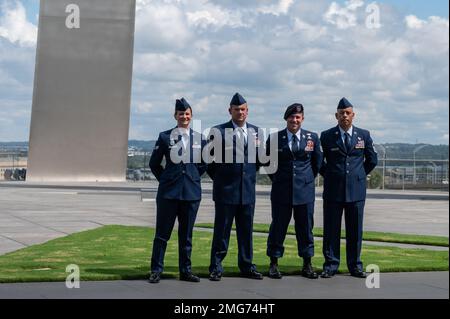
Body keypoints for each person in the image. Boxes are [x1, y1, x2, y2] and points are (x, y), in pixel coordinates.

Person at [148, 98, 207, 284]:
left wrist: (191, 177)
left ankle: (186, 271)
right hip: (168, 194)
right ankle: (156, 270)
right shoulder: (165, 137)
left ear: (191, 116)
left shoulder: (200, 139)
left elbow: (204, 164)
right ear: (175, 116)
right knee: (162, 235)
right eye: (181, 114)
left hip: (190, 193)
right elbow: (154, 163)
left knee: (186, 236)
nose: (184, 117)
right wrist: (166, 179)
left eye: (187, 114)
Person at [207, 93, 264, 281]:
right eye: (236, 109)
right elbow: (207, 160)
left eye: (243, 109)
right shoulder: (218, 131)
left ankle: (246, 266)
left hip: (247, 192)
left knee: (246, 232)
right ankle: (216, 267)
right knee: (222, 231)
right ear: (229, 110)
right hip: (226, 191)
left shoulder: (257, 132)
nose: (240, 112)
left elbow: (259, 161)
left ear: (247, 111)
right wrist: (221, 177)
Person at [320, 97, 378, 279]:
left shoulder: (364, 135)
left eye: (348, 113)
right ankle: (331, 265)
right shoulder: (326, 136)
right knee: (331, 231)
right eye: (341, 113)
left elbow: (372, 159)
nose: (344, 116)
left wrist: (359, 175)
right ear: (335, 115)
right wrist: (330, 174)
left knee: (355, 230)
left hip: (356, 191)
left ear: (353, 115)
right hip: (333, 190)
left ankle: (355, 265)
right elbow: (319, 161)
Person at [265, 103, 322, 279]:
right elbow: (268, 164)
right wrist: (280, 180)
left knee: (305, 229)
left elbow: (317, 164)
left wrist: (304, 180)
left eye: (298, 117)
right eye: (291, 117)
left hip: (304, 192)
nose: (294, 120)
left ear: (302, 119)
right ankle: (274, 264)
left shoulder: (312, 138)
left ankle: (307, 264)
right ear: (286, 119)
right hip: (281, 191)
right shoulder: (275, 139)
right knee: (278, 228)